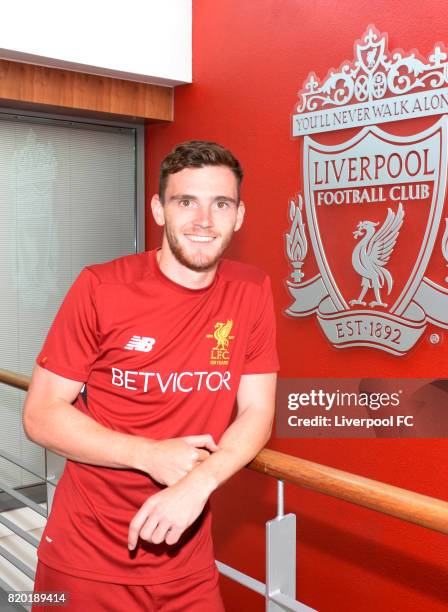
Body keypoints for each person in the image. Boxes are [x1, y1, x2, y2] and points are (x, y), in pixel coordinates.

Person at [22, 140, 279, 611]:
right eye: (186, 201)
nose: (204, 220)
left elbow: (259, 411)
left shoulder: (252, 290)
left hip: (188, 560)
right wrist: (149, 455)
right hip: (87, 557)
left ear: (239, 215)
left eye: (220, 203)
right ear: (159, 209)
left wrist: (198, 485)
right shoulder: (102, 287)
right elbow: (40, 415)